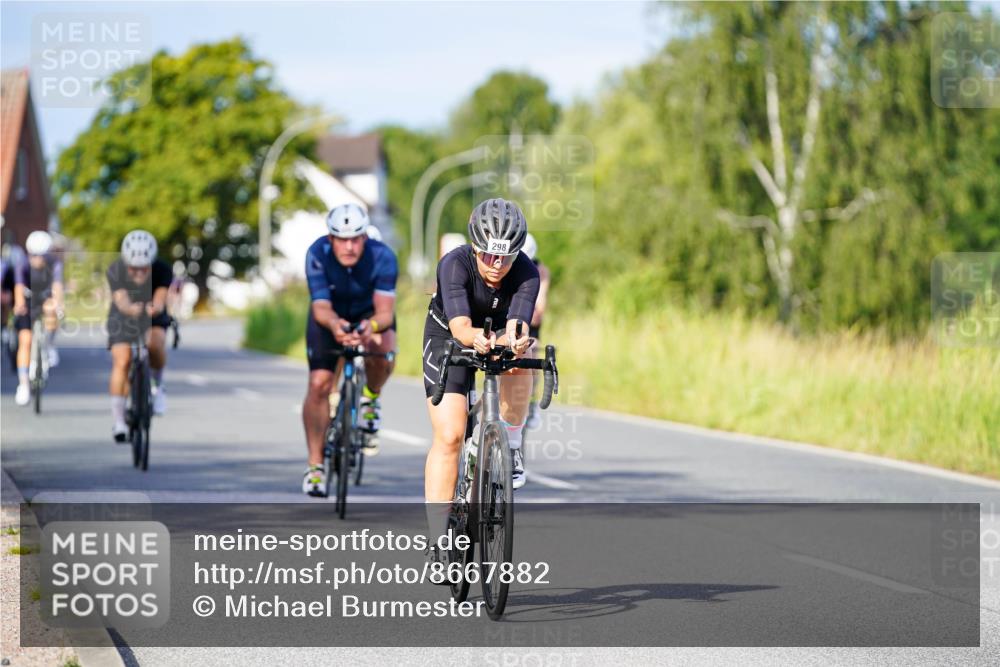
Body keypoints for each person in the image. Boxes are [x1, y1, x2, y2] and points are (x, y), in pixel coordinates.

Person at [422, 198, 538, 561]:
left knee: (526, 356)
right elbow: (459, 327)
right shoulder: (453, 264)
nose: (496, 265)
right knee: (451, 434)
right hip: (449, 336)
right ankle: (440, 540)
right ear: (474, 246)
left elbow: (518, 325)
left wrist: (514, 342)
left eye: (505, 257)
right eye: (488, 255)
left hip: (495, 335)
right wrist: (478, 340)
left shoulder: (527, 273)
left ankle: (512, 446)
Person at [301, 203, 398, 497]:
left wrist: (370, 327)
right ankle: (315, 467)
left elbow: (385, 313)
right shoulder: (316, 254)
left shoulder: (383, 257)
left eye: (356, 238)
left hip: (370, 317)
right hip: (329, 319)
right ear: (330, 238)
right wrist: (335, 325)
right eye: (342, 239)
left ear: (365, 237)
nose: (349, 246)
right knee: (319, 385)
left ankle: (370, 398)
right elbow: (320, 307)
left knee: (382, 350)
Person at [106, 230, 173, 441]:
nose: (139, 273)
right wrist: (132, 309)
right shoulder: (115, 269)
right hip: (123, 314)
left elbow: (161, 297)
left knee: (155, 343)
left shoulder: (163, 269)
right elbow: (122, 300)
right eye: (134, 268)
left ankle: (157, 386)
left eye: (144, 268)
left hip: (152, 311)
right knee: (123, 360)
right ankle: (118, 421)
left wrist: (155, 307)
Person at [13, 231, 64, 406]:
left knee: (51, 309)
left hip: (45, 297)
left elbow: (57, 286)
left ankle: (48, 344)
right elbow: (19, 287)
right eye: (34, 255)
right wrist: (20, 303)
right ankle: (24, 384)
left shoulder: (54, 263)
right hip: (28, 300)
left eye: (41, 255)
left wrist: (58, 303)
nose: (38, 259)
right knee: (25, 340)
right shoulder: (23, 264)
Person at [521, 233, 551, 430]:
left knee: (534, 350)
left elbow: (539, 310)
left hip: (530, 323)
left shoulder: (541, 271)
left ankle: (531, 405)